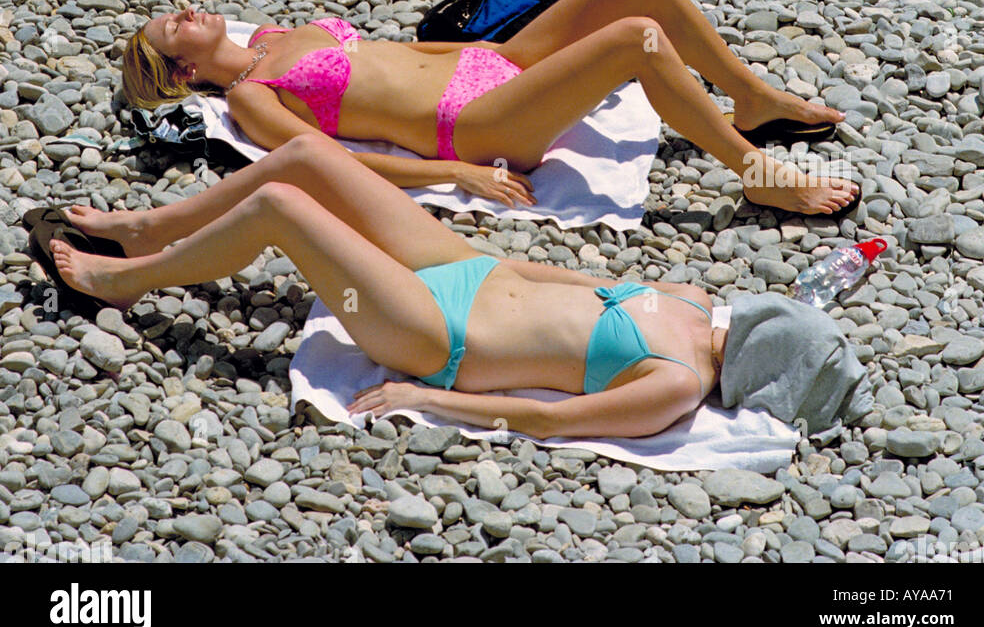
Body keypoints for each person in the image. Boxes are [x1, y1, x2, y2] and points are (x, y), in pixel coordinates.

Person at [52, 133, 726, 439]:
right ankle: (145, 227)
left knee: (280, 208)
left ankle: (124, 281)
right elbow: (586, 280)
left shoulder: (674, 384)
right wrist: (492, 264)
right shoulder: (695, 305)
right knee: (309, 156)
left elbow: (546, 420)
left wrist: (421, 398)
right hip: (471, 271)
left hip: (437, 336)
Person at [122, 0, 858, 216]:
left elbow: (389, 51)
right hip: (471, 122)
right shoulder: (253, 95)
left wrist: (485, 48)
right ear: (184, 73)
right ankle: (758, 174)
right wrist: (453, 173)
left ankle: (753, 99)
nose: (187, 11)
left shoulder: (274, 39)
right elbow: (329, 161)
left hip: (483, 67)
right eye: (173, 26)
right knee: (637, 40)